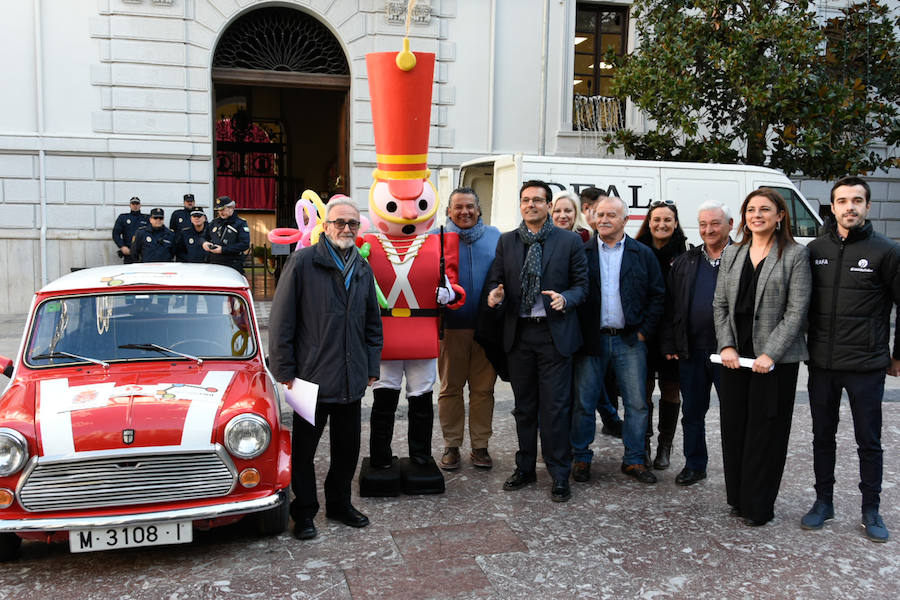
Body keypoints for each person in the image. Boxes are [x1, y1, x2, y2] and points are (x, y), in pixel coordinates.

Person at [267, 197, 383, 541]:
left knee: (347, 450)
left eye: (352, 224)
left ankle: (339, 504)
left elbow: (372, 324)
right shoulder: (303, 263)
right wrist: (284, 370)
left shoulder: (362, 268)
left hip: (351, 377)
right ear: (326, 226)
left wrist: (371, 364)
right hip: (310, 379)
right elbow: (282, 319)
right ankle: (303, 512)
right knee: (304, 452)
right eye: (339, 223)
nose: (346, 229)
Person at [801, 176, 900, 543]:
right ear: (832, 206)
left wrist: (897, 355)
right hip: (822, 364)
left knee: (868, 441)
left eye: (857, 200)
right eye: (842, 201)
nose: (850, 207)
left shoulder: (886, 251)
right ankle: (823, 502)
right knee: (821, 437)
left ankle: (870, 509)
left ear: (868, 207)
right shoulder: (814, 250)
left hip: (866, 365)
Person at [713, 188, 811, 526]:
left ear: (780, 215)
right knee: (735, 428)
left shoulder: (795, 255)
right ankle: (738, 499)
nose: (757, 215)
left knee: (765, 432)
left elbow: (797, 312)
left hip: (774, 363)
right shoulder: (732, 254)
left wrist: (771, 352)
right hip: (734, 358)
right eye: (751, 209)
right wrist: (726, 345)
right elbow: (720, 305)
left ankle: (759, 506)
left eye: (765, 209)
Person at [486, 179, 588, 502]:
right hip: (520, 336)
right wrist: (495, 295)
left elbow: (583, 285)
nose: (531, 205)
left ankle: (559, 474)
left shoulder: (569, 241)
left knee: (556, 408)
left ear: (548, 205)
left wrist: (567, 299)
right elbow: (496, 280)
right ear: (520, 205)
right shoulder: (507, 242)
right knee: (525, 408)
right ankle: (525, 468)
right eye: (526, 200)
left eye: (538, 200)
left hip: (553, 334)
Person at [571, 195, 665, 484]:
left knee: (636, 404)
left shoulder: (642, 254)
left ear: (626, 220)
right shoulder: (582, 253)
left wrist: (643, 332)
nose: (604, 219)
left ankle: (634, 459)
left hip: (629, 340)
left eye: (611, 215)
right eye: (600, 214)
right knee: (584, 402)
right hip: (592, 340)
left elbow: (657, 295)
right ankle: (581, 457)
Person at [660, 201, 733, 486]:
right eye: (703, 224)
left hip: (729, 353)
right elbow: (671, 307)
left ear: (730, 225)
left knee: (733, 413)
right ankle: (694, 464)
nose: (708, 229)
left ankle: (735, 466)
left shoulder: (743, 257)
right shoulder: (686, 261)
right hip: (691, 350)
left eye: (715, 223)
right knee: (692, 411)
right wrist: (670, 344)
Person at [432, 187, 501, 471]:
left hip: (487, 329)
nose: (464, 212)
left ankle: (480, 446)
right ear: (449, 211)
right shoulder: (436, 240)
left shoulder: (497, 237)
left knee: (484, 390)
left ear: (479, 209)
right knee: (450, 389)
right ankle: (451, 445)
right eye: (458, 207)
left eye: (470, 206)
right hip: (451, 329)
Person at [635, 200, 688, 470]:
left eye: (667, 220)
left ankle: (664, 446)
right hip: (643, 333)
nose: (662, 224)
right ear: (649, 222)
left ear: (676, 223)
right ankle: (643, 444)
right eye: (656, 219)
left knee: (670, 388)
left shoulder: (685, 255)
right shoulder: (637, 251)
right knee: (641, 391)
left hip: (673, 335)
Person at [203, 196, 250, 274]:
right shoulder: (214, 222)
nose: (221, 212)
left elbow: (244, 244)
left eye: (223, 209)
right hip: (214, 262)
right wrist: (204, 243)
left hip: (232, 264)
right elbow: (203, 237)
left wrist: (223, 250)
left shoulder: (240, 223)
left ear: (231, 208)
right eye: (219, 210)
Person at [112, 197, 149, 264]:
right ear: (130, 205)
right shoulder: (123, 217)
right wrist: (122, 246)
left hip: (143, 253)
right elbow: (115, 234)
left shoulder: (146, 218)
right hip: (129, 252)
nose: (135, 206)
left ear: (140, 205)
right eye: (133, 204)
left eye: (137, 204)